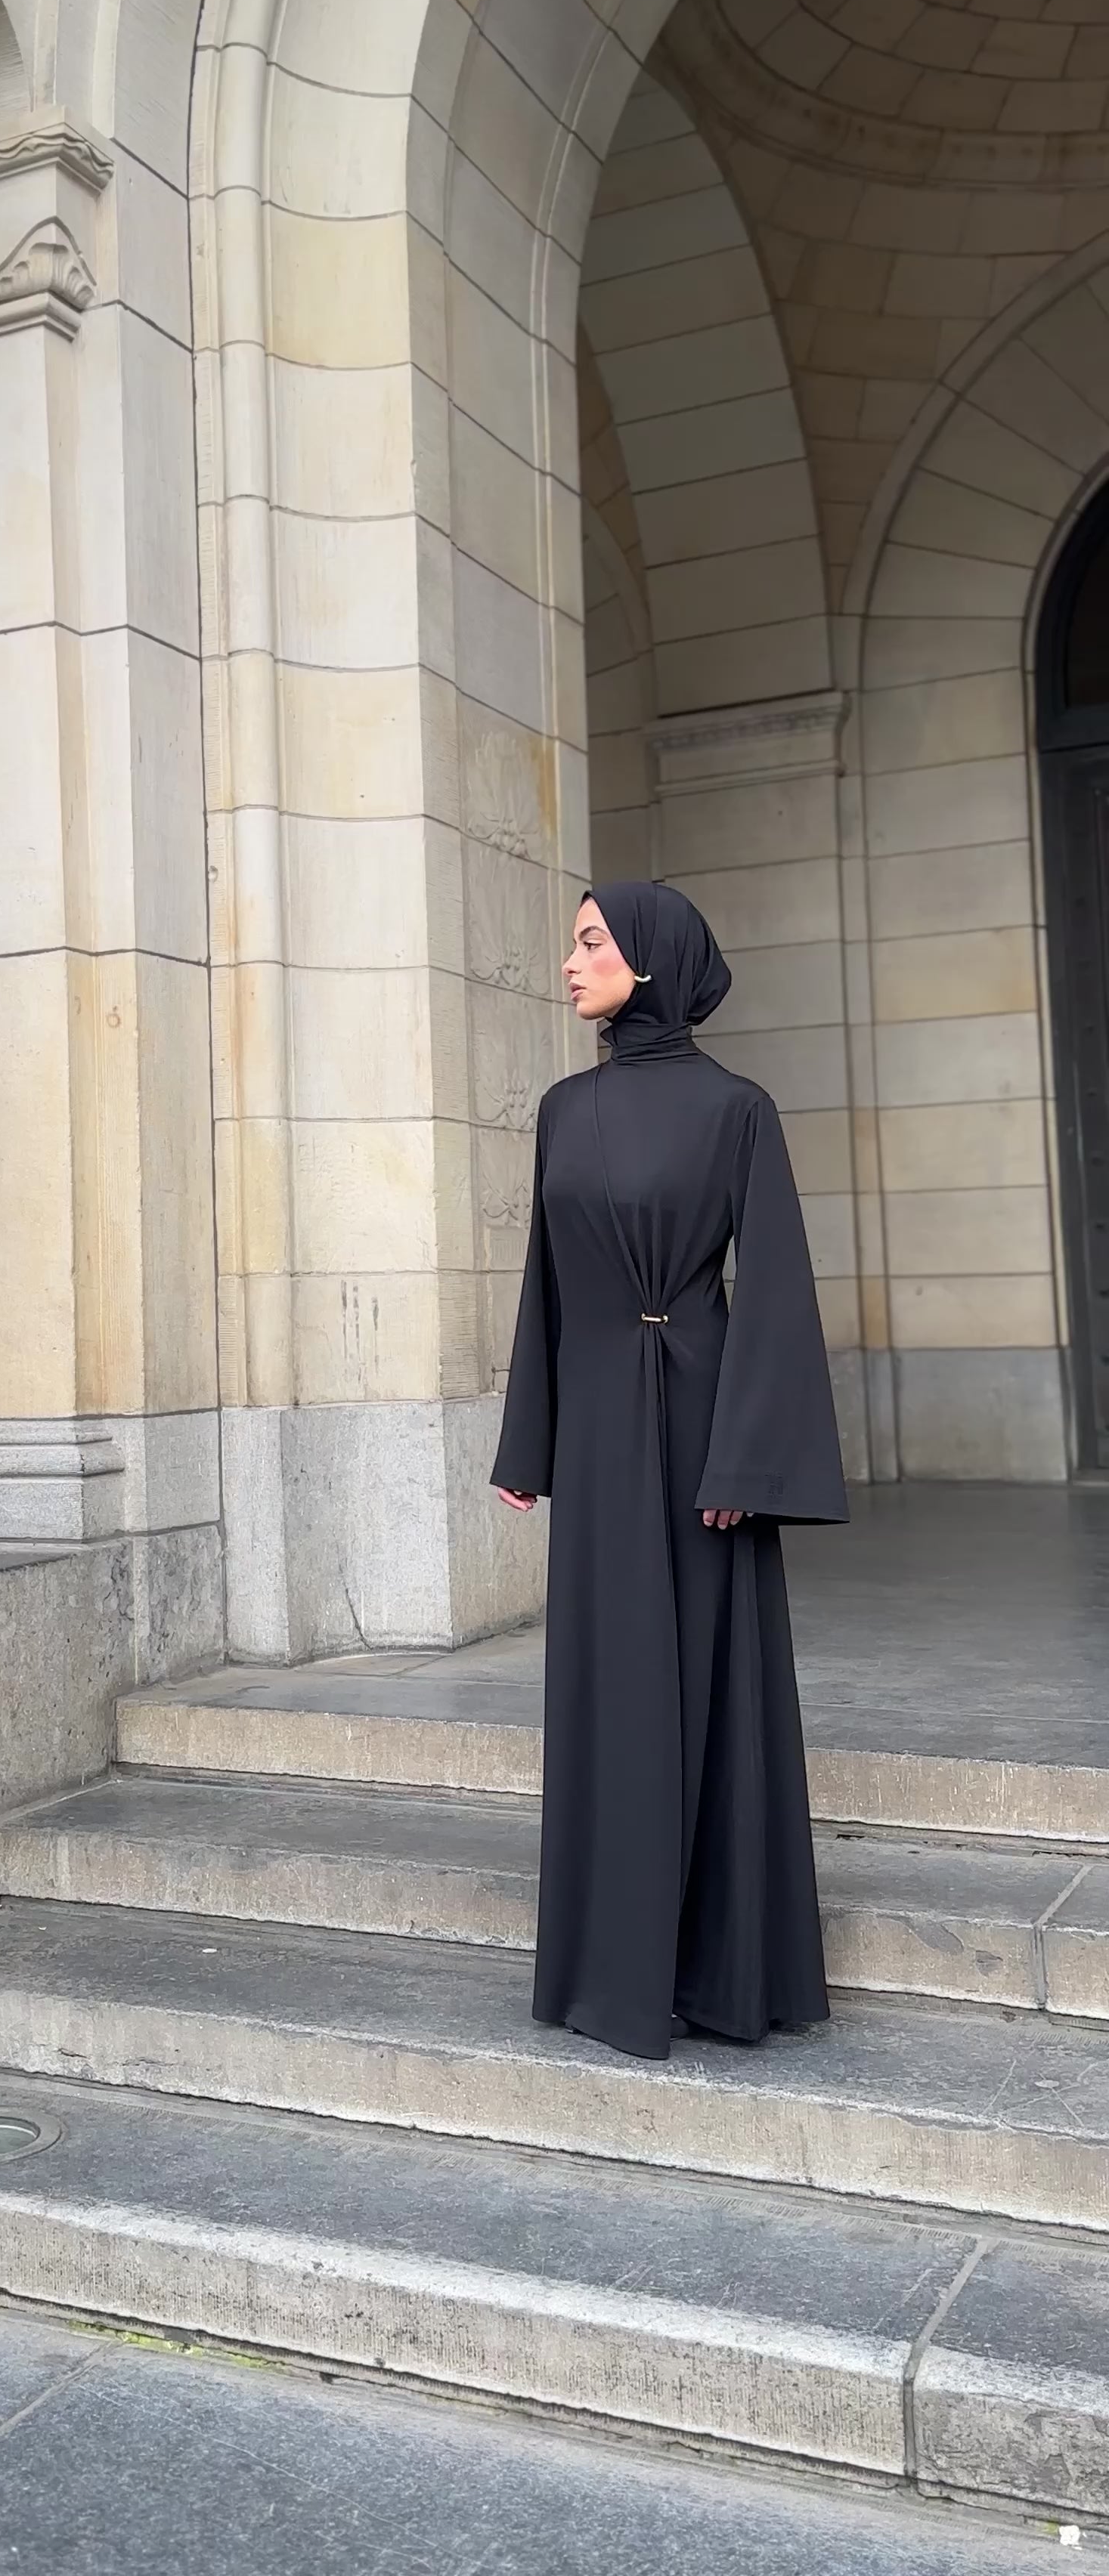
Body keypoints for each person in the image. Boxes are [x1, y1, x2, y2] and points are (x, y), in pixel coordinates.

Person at [492, 878, 847, 2062]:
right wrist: (528, 1443)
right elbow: (545, 1283)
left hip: (703, 1435)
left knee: (705, 1688)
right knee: (611, 1689)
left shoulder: (739, 1110)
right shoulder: (561, 1110)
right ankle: (613, 1972)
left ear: (649, 958)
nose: (569, 961)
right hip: (597, 1432)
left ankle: (719, 1976)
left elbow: (777, 1289)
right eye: (574, 942)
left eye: (590, 942)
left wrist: (747, 1456)